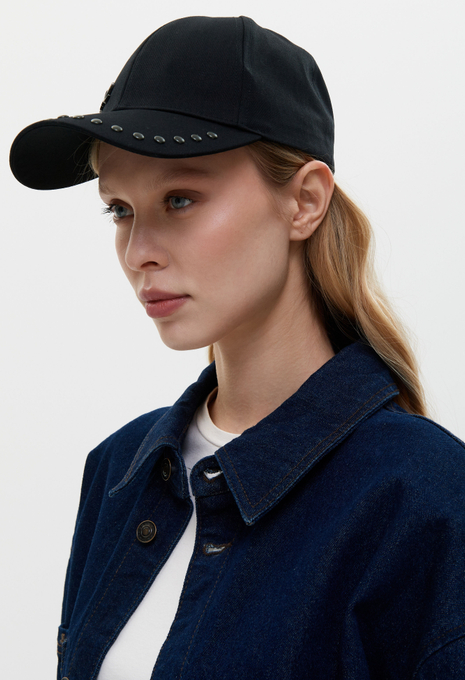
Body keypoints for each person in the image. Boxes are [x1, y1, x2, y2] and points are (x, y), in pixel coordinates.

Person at [9, 15, 465, 680]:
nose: (138, 253)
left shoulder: (423, 495)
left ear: (304, 201)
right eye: (120, 209)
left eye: (180, 199)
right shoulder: (118, 470)